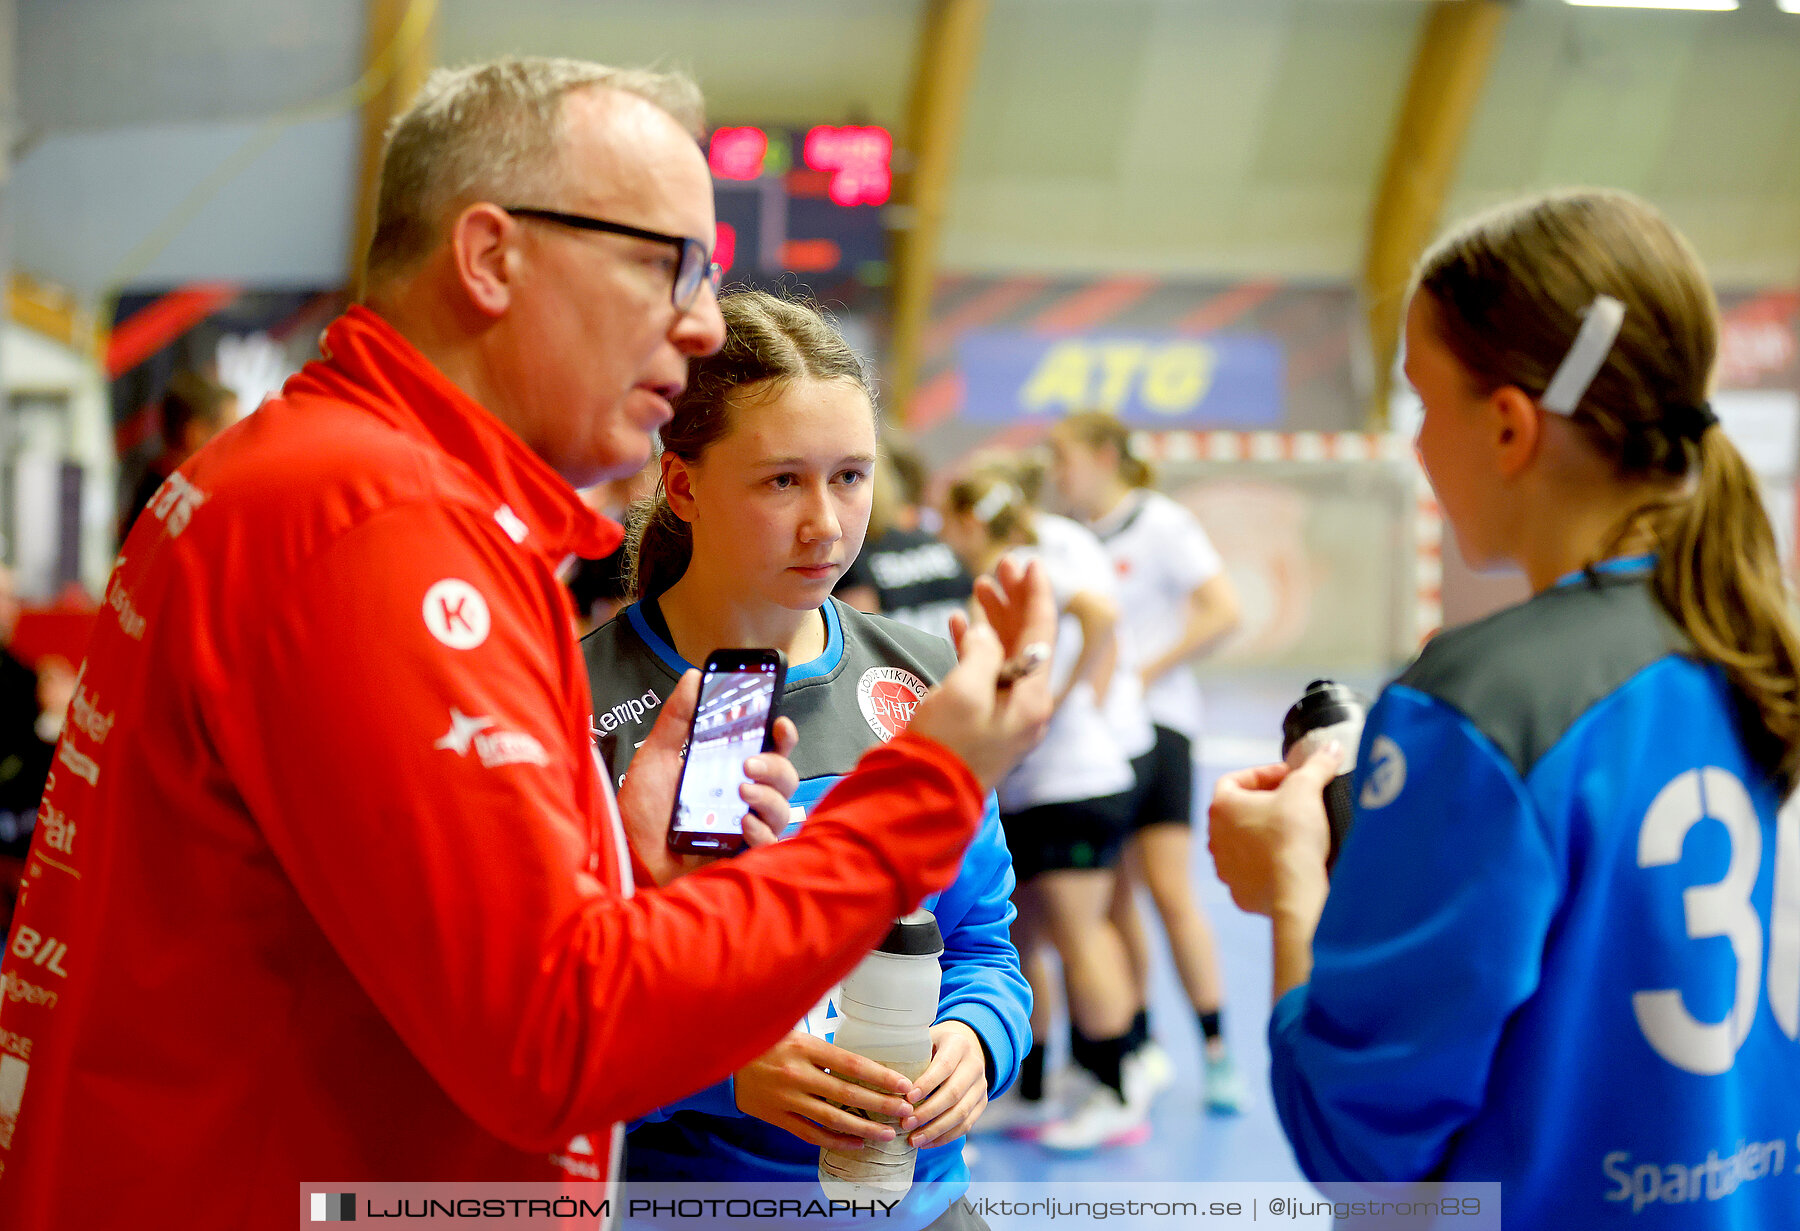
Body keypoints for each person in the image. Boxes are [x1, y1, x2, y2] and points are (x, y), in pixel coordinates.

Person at [0, 57, 1055, 1231]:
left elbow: (438, 956)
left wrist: (624, 876)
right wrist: (929, 786)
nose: (701, 319)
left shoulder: (329, 489)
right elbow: (556, 1041)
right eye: (670, 264)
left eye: (850, 476)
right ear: (493, 257)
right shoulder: (382, 531)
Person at [1209, 189, 1800, 1229]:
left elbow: (1358, 1151)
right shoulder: (1755, 644)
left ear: (1509, 424)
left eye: (1425, 405)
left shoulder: (1486, 705)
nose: (1420, 449)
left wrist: (1297, 881)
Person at [583, 290, 1027, 1229]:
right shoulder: (574, 703)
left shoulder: (923, 673)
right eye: (783, 480)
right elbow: (543, 1018)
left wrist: (977, 1040)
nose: (827, 522)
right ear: (687, 484)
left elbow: (984, 942)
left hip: (921, 1203)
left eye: (852, 477)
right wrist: (720, 1073)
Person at [940, 467, 1145, 1152]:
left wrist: (1066, 694)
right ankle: (1029, 1091)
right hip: (1028, 789)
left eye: (949, 519)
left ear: (972, 521)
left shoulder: (1020, 566)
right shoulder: (1014, 564)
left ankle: (1115, 1089)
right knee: (1022, 940)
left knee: (1081, 934)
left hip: (1074, 785)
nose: (942, 532)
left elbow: (1103, 615)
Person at [1048, 411, 1244, 1115]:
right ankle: (1139, 1040)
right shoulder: (1067, 536)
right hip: (1100, 739)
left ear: (1106, 455)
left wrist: (1144, 670)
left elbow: (1223, 610)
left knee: (1169, 888)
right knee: (1114, 897)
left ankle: (1218, 1048)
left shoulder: (1161, 523)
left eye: (1063, 454)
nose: (1054, 468)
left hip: (1158, 727)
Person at [834, 436, 974, 638]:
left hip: (902, 666)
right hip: (955, 661)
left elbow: (860, 641)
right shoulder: (937, 543)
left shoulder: (855, 559)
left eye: (847, 477)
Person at [118, 369, 237, 541]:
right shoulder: (180, 500)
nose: (240, 442)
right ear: (196, 434)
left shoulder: (158, 486)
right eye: (232, 430)